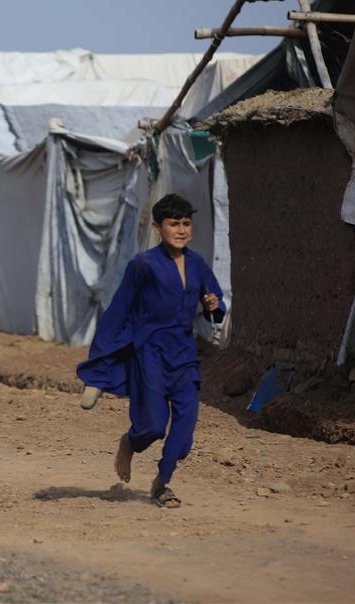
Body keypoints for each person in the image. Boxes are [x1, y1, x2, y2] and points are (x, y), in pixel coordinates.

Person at [77, 194, 225, 508]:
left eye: (186, 223)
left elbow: (215, 302)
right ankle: (129, 443)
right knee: (154, 426)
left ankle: (161, 483)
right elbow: (118, 312)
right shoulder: (142, 265)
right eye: (174, 224)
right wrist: (98, 367)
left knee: (184, 435)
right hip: (151, 354)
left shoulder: (197, 263)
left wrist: (213, 305)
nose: (182, 230)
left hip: (185, 356)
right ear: (158, 228)